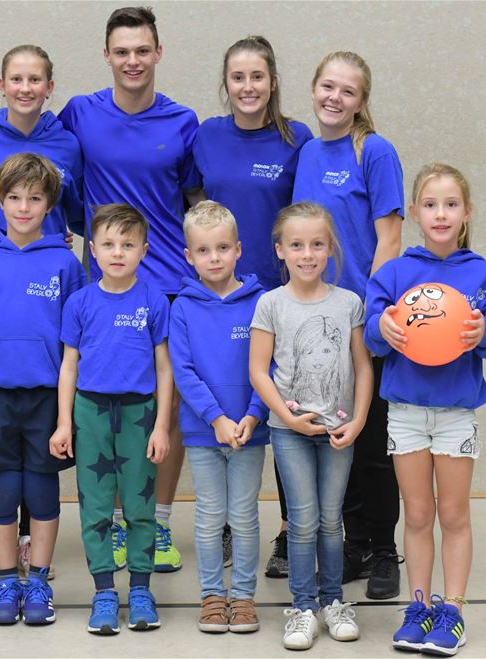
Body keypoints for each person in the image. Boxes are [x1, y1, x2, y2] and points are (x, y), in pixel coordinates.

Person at [59, 4, 201, 575]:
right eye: (122, 51)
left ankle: (157, 522)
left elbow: (195, 201)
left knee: (165, 405)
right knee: (109, 406)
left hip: (167, 285)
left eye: (143, 50)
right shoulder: (79, 112)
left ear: (158, 52)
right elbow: (53, 177)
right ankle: (119, 523)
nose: (133, 60)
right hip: (104, 286)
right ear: (107, 55)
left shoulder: (183, 121)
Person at [365, 164, 486, 656]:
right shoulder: (394, 273)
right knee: (417, 513)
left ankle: (453, 613)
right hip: (406, 412)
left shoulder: (482, 274)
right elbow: (370, 335)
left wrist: (485, 333)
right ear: (414, 212)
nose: (441, 214)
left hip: (455, 415)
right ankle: (419, 608)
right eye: (430, 205)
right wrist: (381, 330)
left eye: (451, 204)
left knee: (452, 513)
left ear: (467, 212)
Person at [0, 45, 84, 582]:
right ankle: (0, 551)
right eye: (16, 78)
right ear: (1, 83)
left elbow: (78, 209)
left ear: (49, 86)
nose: (26, 87)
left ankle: (34, 552)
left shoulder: (67, 142)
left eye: (36, 79)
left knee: (40, 472)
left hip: (44, 367)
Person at [193, 34, 315, 578]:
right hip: (222, 299)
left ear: (273, 82)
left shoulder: (296, 139)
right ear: (226, 83)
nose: (248, 86)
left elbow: (305, 216)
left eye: (257, 76)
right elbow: (195, 206)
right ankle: (224, 523)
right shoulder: (207, 135)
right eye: (238, 77)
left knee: (285, 413)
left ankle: (289, 532)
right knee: (226, 401)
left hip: (280, 299)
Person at [291, 51, 405, 599]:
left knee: (372, 444)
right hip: (315, 322)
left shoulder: (374, 151)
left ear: (361, 101)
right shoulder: (308, 152)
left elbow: (389, 238)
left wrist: (371, 312)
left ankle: (384, 551)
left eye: (348, 91)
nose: (334, 98)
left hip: (362, 321)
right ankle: (353, 546)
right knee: (337, 439)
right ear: (314, 89)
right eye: (327, 87)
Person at [0, 153, 85, 626]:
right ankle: (8, 580)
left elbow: (76, 342)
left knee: (42, 487)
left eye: (34, 198)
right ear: (0, 202)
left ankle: (39, 582)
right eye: (14, 198)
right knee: (3, 487)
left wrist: (68, 410)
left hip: (47, 397)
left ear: (49, 204)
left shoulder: (65, 264)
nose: (24, 207)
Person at [249, 202, 373, 650]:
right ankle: (303, 608)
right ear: (280, 250)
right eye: (297, 245)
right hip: (290, 433)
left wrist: (359, 420)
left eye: (317, 244)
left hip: (338, 431)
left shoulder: (349, 303)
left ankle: (333, 601)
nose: (307, 254)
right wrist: (287, 418)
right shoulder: (270, 304)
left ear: (330, 248)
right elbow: (259, 371)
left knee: (331, 520)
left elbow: (362, 366)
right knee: (302, 521)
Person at [50, 204, 173, 635]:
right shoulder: (80, 302)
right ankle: (104, 591)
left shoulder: (153, 301)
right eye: (108, 244)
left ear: (144, 250)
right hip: (90, 413)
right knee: (96, 507)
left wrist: (161, 425)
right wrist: (64, 422)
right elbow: (69, 366)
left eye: (127, 244)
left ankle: (140, 589)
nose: (117, 252)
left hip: (140, 414)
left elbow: (164, 369)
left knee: (140, 508)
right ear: (93, 250)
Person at [168, 201, 266, 634]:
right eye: (203, 250)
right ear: (189, 256)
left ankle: (242, 597)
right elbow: (183, 371)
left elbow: (270, 367)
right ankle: (211, 595)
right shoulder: (183, 307)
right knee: (209, 517)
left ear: (238, 250)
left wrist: (253, 415)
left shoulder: (261, 302)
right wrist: (216, 419)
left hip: (249, 432)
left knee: (243, 516)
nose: (214, 258)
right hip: (204, 433)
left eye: (223, 248)